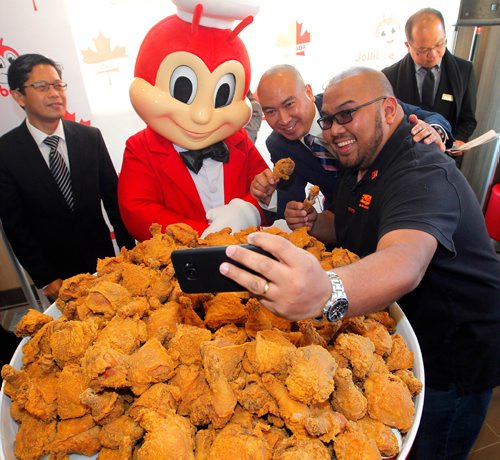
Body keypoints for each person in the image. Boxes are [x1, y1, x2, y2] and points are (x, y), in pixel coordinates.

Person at [220, 67, 500, 459]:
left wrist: (324, 292)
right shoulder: (360, 161)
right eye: (329, 119)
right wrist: (317, 223)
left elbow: (403, 260)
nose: (334, 129)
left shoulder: (423, 170)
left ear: (388, 109)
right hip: (404, 333)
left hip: (453, 353)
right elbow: (353, 223)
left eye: (347, 115)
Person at [118, 4, 268, 241]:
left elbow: (265, 186)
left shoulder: (238, 141)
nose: (202, 116)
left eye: (221, 95)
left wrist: (246, 211)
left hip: (246, 258)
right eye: (183, 89)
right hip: (182, 267)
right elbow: (138, 210)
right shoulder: (141, 148)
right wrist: (206, 235)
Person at [0, 53, 135, 302]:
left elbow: (114, 201)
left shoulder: (90, 137)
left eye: (58, 85)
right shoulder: (6, 152)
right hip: (57, 276)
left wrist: (129, 253)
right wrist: (45, 277)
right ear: (19, 96)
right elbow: (15, 225)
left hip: (104, 263)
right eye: (42, 87)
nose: (54, 93)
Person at [251, 64, 454, 221]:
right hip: (341, 220)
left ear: (309, 93)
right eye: (271, 111)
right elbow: (293, 200)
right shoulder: (278, 144)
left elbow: (424, 116)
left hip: (396, 204)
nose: (284, 119)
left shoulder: (343, 102)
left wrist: (432, 131)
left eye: (289, 104)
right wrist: (270, 198)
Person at [382, 8, 477, 167]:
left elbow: (468, 118)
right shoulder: (389, 76)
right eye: (423, 50)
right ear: (408, 45)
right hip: (404, 163)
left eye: (439, 44)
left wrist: (460, 140)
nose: (433, 54)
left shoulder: (464, 70)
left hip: (445, 160)